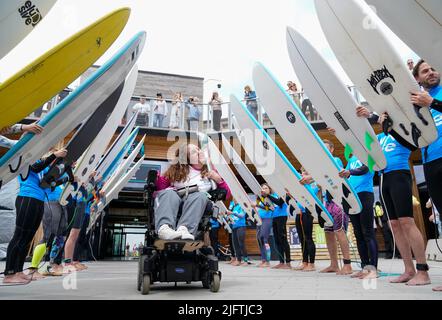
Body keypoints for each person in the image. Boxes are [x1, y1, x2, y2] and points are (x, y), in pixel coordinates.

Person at [355, 105, 431, 286]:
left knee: (407, 221)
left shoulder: (404, 130)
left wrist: (375, 117)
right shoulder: (379, 137)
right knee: (394, 225)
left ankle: (423, 271)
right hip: (383, 178)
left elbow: (412, 145)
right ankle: (408, 269)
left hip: (399, 175)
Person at [3, 148, 68, 284]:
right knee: (19, 236)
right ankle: (9, 273)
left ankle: (19, 270)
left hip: (39, 200)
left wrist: (66, 174)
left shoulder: (45, 165)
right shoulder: (28, 159)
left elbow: (49, 184)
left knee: (28, 237)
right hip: (27, 198)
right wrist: (53, 156)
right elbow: (35, 168)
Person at [154, 144, 231, 240]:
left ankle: (184, 230)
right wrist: (158, 179)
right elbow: (160, 189)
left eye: (198, 149)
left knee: (199, 196)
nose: (199, 152)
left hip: (197, 202)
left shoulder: (210, 171)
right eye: (194, 152)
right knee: (168, 193)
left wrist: (219, 180)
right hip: (176, 200)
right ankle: (165, 229)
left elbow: (227, 194)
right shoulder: (176, 172)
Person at [304, 139, 353, 275]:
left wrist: (311, 177)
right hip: (328, 203)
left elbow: (328, 173)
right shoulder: (320, 167)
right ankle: (334, 265)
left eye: (326, 148)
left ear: (331, 149)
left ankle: (347, 265)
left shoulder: (336, 160)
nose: (324, 151)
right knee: (328, 232)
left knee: (339, 232)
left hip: (339, 202)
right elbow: (321, 180)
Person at [252, 184, 280, 268]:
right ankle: (263, 260)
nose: (264, 189)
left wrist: (257, 205)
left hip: (268, 218)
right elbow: (260, 208)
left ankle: (267, 261)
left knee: (264, 238)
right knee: (259, 239)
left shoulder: (272, 196)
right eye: (262, 188)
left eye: (266, 188)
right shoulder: (261, 198)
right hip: (260, 219)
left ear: (270, 189)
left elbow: (271, 208)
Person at [271, 195, 292, 270]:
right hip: (275, 217)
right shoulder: (275, 194)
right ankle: (281, 262)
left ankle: (288, 263)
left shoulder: (283, 193)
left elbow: (279, 202)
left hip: (282, 217)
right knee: (277, 240)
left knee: (283, 239)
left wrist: (267, 195)